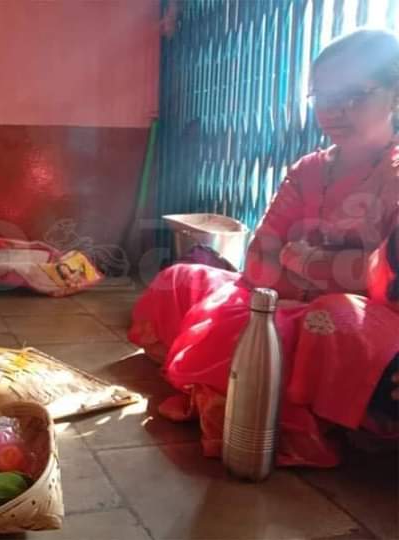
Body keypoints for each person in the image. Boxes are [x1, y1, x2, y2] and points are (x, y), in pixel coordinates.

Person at [128, 29, 399, 467]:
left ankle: (303, 404)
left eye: (355, 94)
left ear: (395, 95)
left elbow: (377, 279)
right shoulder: (308, 169)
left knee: (328, 317)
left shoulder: (395, 174)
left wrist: (295, 259)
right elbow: (256, 258)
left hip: (348, 318)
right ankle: (242, 384)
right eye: (324, 95)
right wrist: (318, 266)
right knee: (183, 278)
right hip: (273, 297)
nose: (335, 110)